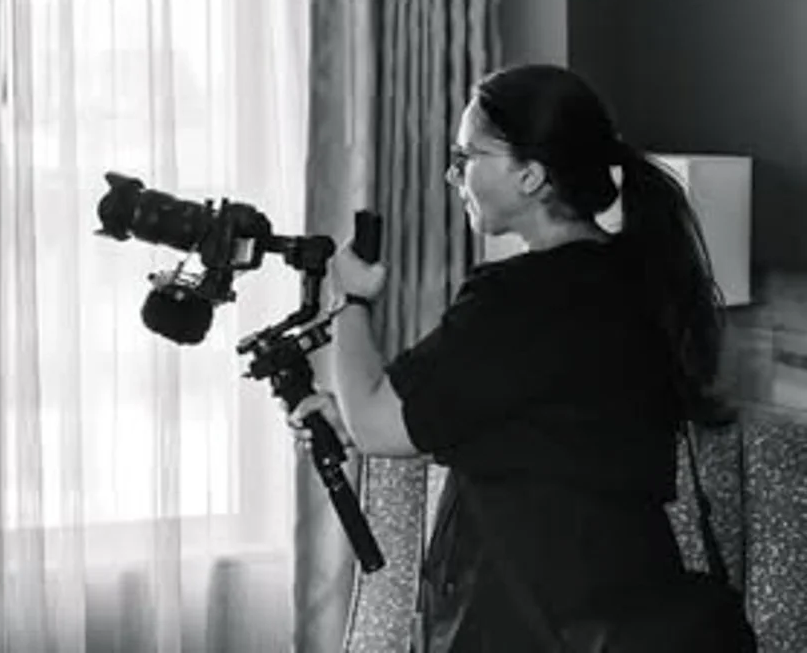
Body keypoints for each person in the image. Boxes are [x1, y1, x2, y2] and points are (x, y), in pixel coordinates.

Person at [290, 63, 732, 653]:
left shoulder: (519, 298)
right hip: (621, 605)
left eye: (466, 156)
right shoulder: (634, 278)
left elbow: (377, 426)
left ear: (530, 175)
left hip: (526, 617)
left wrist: (350, 300)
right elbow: (540, 425)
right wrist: (350, 411)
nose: (453, 176)